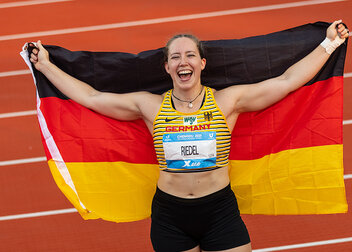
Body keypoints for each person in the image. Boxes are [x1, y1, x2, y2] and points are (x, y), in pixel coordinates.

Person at [29, 20, 349, 252]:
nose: (184, 61)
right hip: (170, 215)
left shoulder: (227, 102)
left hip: (220, 210)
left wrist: (330, 44)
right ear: (167, 68)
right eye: (176, 57)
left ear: (202, 63)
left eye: (190, 55)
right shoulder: (150, 106)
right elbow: (92, 98)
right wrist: (45, 67)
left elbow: (288, 81)